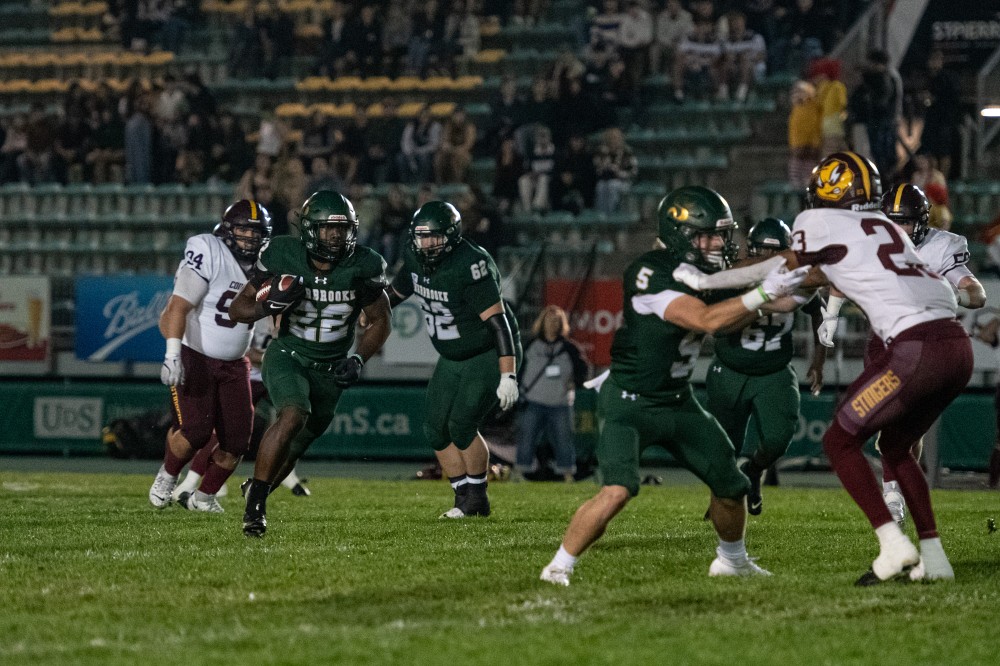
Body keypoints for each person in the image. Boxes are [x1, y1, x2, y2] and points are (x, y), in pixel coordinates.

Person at [676, 152, 972, 584]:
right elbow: (801, 287)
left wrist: (708, 279)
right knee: (896, 447)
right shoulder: (885, 228)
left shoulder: (821, 223)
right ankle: (935, 557)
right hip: (955, 347)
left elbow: (780, 265)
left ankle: (893, 546)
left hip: (915, 347)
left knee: (839, 441)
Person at [539, 185, 810, 586]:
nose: (720, 244)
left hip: (678, 400)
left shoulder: (707, 271)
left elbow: (779, 301)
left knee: (730, 483)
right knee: (618, 490)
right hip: (630, 401)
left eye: (722, 234)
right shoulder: (651, 271)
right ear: (682, 234)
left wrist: (812, 281)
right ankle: (558, 566)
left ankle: (732, 561)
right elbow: (705, 320)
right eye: (710, 235)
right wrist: (760, 294)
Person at [818, 183, 986, 525]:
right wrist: (830, 318)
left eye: (904, 222)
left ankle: (894, 494)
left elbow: (977, 293)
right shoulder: (873, 240)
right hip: (882, 342)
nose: (897, 229)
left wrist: (950, 295)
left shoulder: (939, 247)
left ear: (921, 222)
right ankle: (894, 494)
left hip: (925, 347)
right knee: (892, 427)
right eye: (891, 221)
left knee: (904, 431)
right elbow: (841, 280)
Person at [228, 190, 392, 537]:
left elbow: (381, 320)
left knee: (297, 444)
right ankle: (254, 510)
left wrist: (359, 358)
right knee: (293, 414)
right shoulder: (283, 254)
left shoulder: (363, 265)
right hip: (288, 355)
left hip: (331, 367)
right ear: (308, 230)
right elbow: (237, 309)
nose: (335, 236)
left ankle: (257, 489)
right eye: (327, 228)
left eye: (342, 228)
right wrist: (267, 306)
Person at [387, 200, 522, 518]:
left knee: (461, 426)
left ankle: (477, 498)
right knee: (435, 429)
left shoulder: (470, 263)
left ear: (452, 236)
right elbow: (395, 293)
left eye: (435, 236)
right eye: (422, 236)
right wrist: (367, 311)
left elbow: (498, 323)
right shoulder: (414, 256)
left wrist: (508, 375)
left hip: (486, 351)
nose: (427, 243)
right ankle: (463, 497)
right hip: (451, 355)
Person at [148, 200, 273, 513]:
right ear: (228, 230)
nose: (250, 237)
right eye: (243, 229)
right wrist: (172, 354)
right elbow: (178, 307)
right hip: (197, 355)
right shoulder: (209, 250)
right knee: (196, 431)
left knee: (238, 441)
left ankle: (203, 497)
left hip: (236, 364)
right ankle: (167, 475)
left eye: (256, 231)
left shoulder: (268, 264)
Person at [705, 217, 827, 516]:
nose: (769, 259)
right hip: (730, 368)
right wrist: (758, 305)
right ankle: (720, 500)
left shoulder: (794, 276)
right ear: (751, 250)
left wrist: (819, 359)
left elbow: (819, 313)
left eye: (776, 252)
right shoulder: (735, 275)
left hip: (774, 370)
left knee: (777, 439)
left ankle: (754, 469)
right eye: (762, 251)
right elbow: (718, 328)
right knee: (723, 446)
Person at [171, 317, 311, 503]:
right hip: (248, 377)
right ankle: (190, 482)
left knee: (294, 421)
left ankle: (288, 475)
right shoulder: (255, 313)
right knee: (225, 433)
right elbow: (243, 350)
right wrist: (276, 357)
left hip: (276, 377)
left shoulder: (296, 315)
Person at [515, 305, 590, 482]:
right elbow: (519, 368)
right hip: (533, 401)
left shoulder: (569, 348)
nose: (552, 324)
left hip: (560, 403)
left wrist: (575, 382)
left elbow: (583, 369)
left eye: (556, 321)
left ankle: (567, 474)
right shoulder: (531, 345)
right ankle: (519, 473)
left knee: (564, 440)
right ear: (542, 322)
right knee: (526, 438)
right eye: (549, 320)